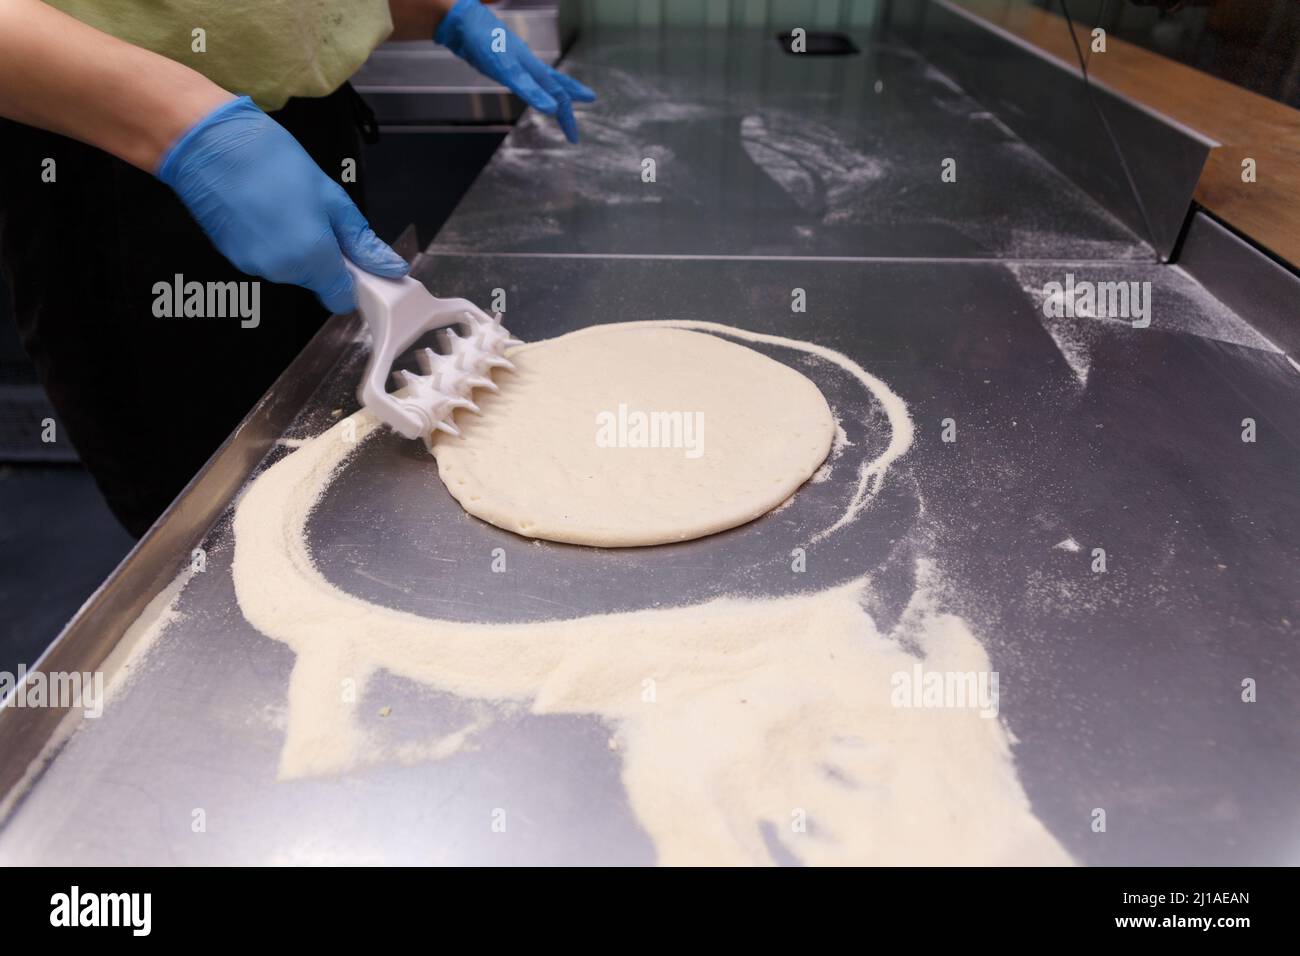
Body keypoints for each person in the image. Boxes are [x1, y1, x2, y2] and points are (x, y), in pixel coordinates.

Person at [0, 0, 594, 536]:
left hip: (297, 138)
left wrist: (426, 10)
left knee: (331, 467)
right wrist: (185, 128)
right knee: (215, 526)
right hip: (122, 155)